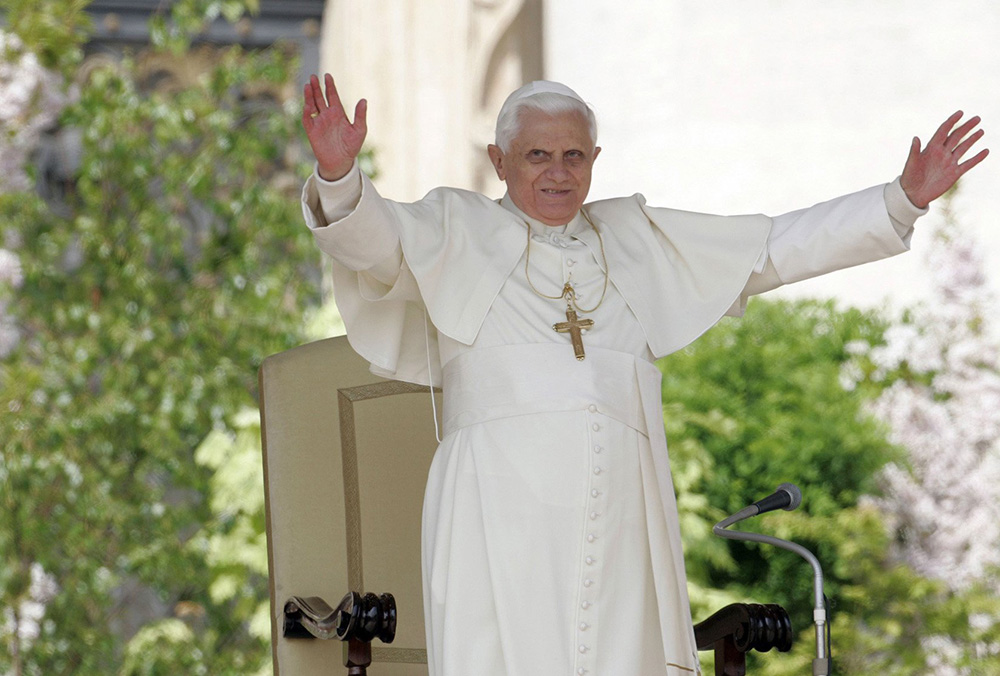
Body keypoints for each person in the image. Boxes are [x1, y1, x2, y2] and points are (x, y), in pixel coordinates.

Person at [299, 73, 987, 676]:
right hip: (497, 512)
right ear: (499, 161)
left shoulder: (632, 239)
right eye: (538, 155)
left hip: (624, 513)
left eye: (574, 156)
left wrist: (899, 201)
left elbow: (769, 250)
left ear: (595, 160)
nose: (558, 172)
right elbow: (376, 243)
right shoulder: (454, 228)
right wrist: (338, 177)